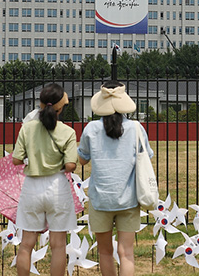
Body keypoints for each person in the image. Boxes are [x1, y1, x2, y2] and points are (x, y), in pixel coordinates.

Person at [77, 81, 153, 276]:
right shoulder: (136, 127)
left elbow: (82, 160)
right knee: (126, 253)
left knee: (105, 252)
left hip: (100, 199)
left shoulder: (91, 129)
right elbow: (147, 156)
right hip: (128, 198)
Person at [12, 83, 78, 276]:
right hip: (57, 187)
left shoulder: (28, 128)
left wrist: (31, 160)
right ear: (60, 108)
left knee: (26, 244)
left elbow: (16, 159)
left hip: (32, 186)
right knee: (58, 245)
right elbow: (71, 165)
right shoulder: (68, 132)